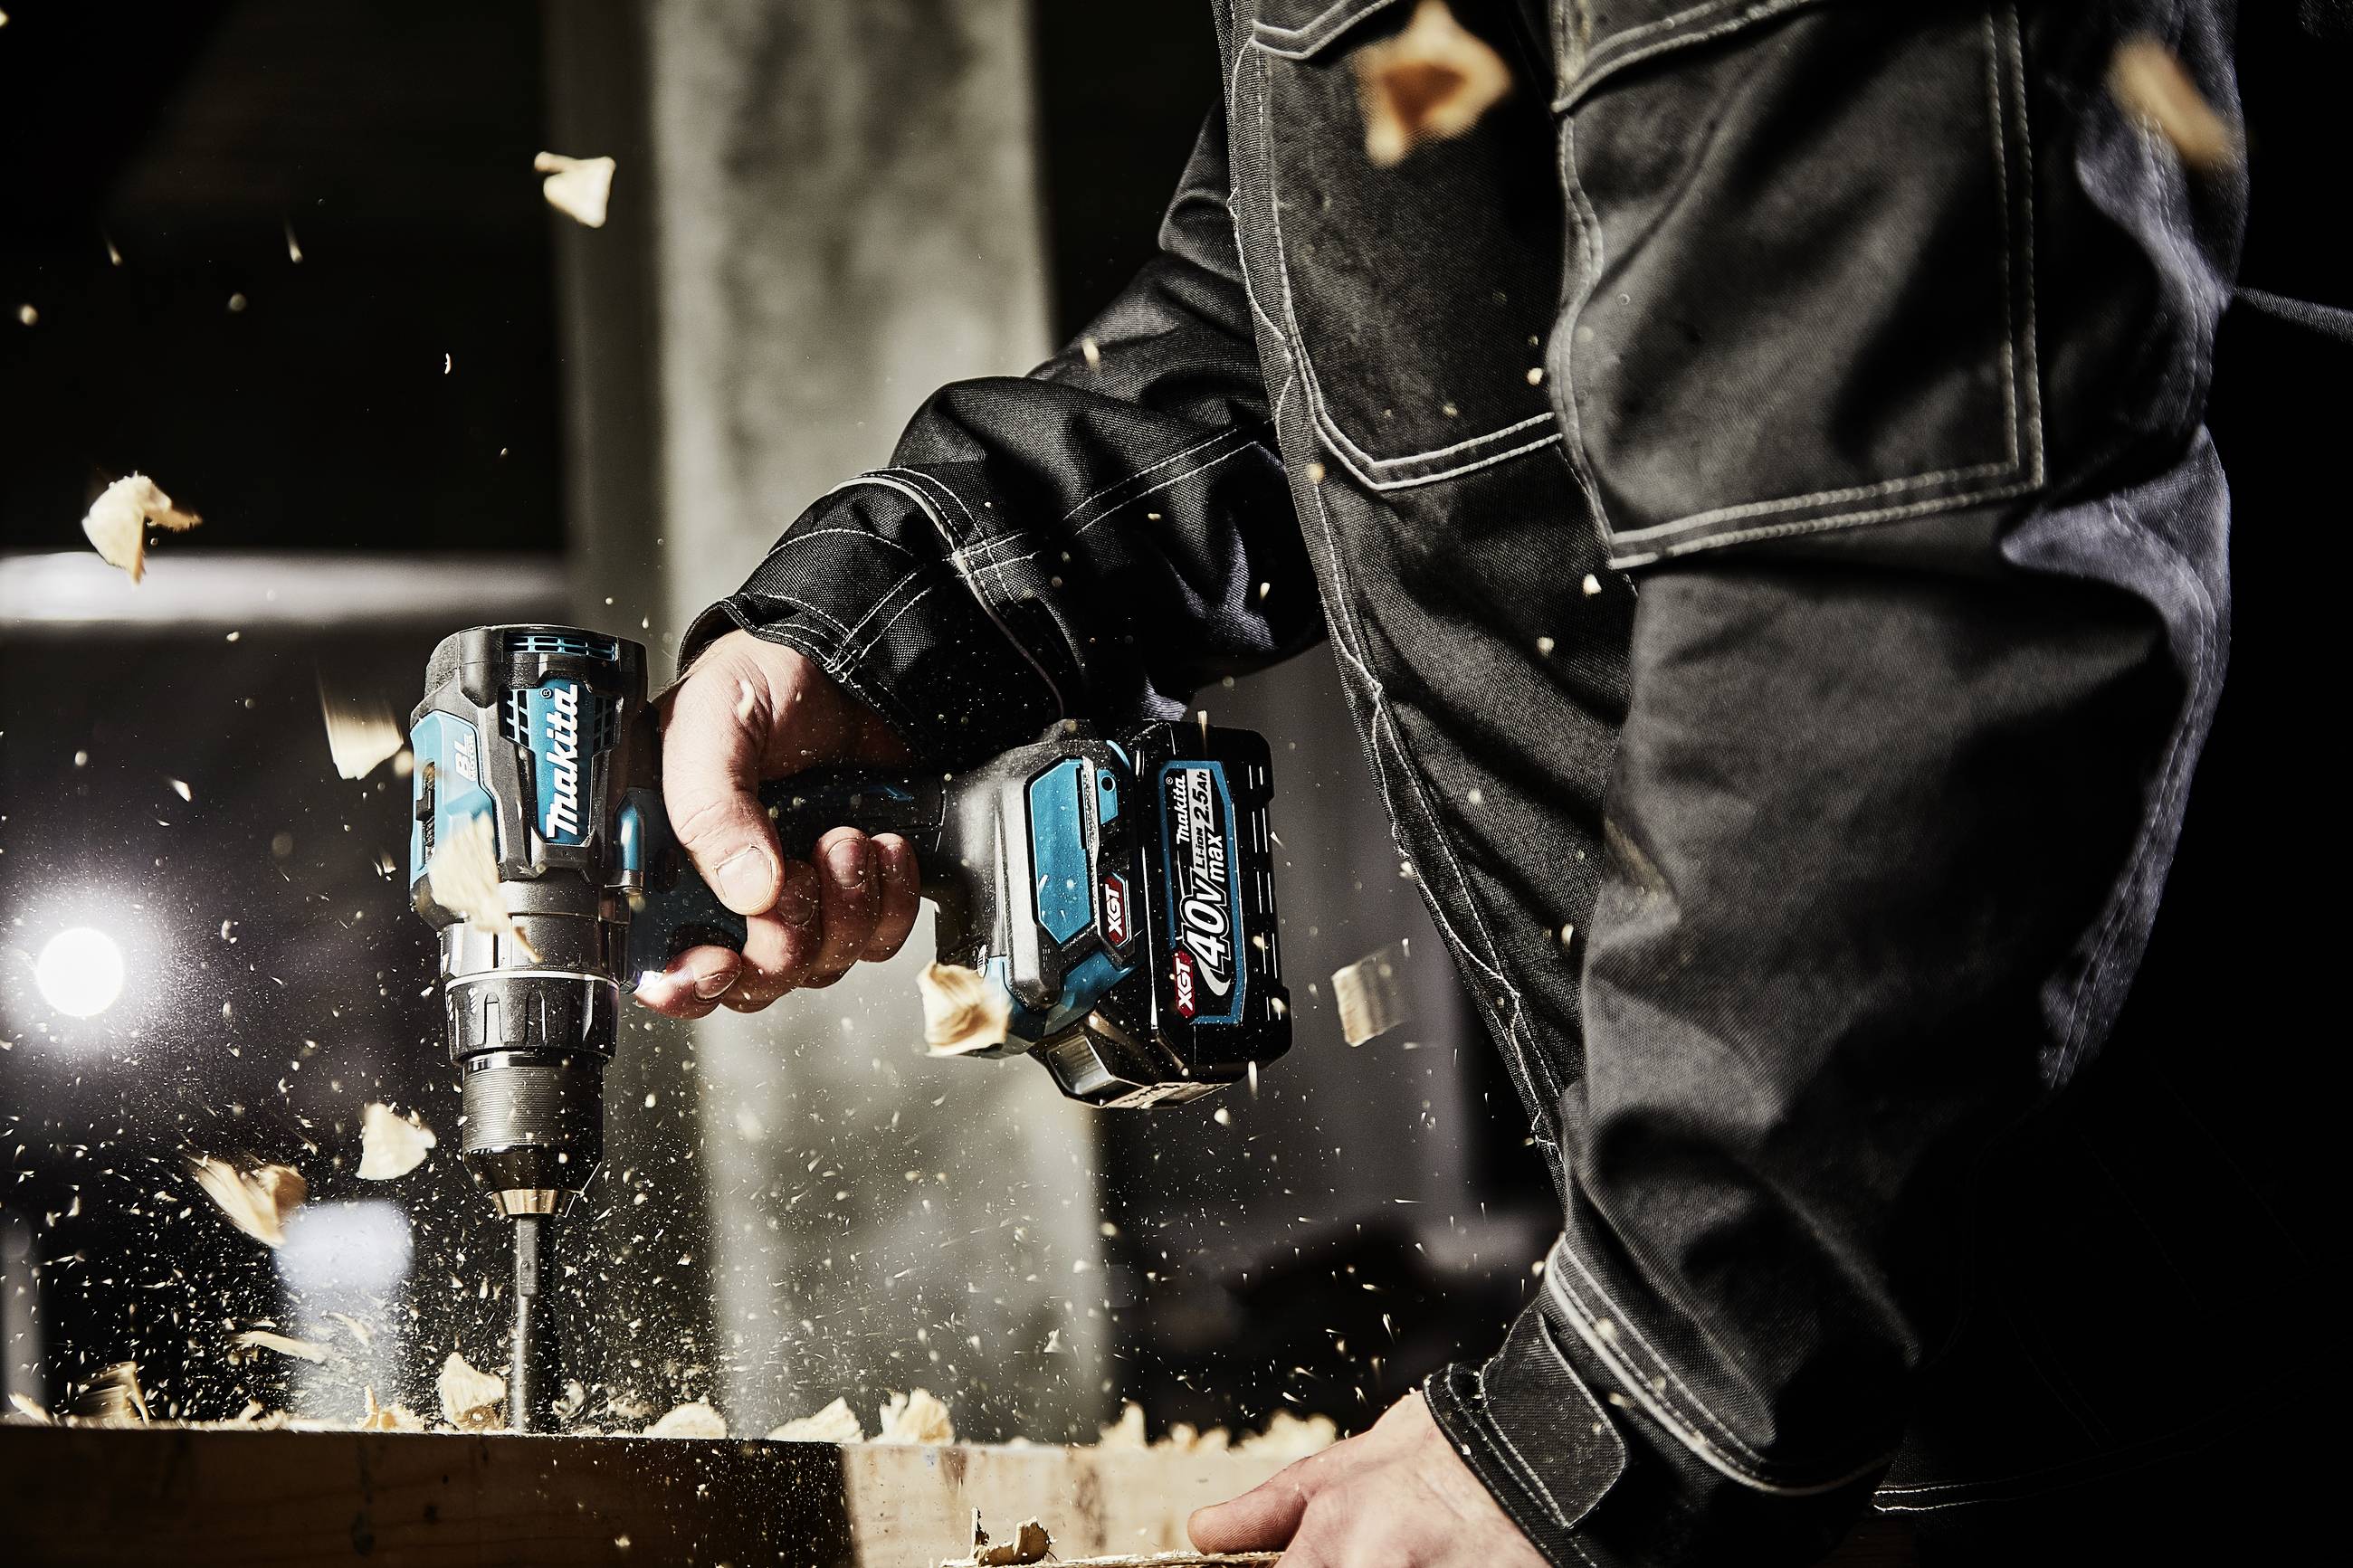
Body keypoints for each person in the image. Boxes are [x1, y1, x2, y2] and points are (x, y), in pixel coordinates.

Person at [638, 3, 2315, 1563]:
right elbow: (1340, 305)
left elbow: (1903, 575)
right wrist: (897, 624)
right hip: (1872, 1356)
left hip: (2132, 1356)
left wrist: (1640, 1395)